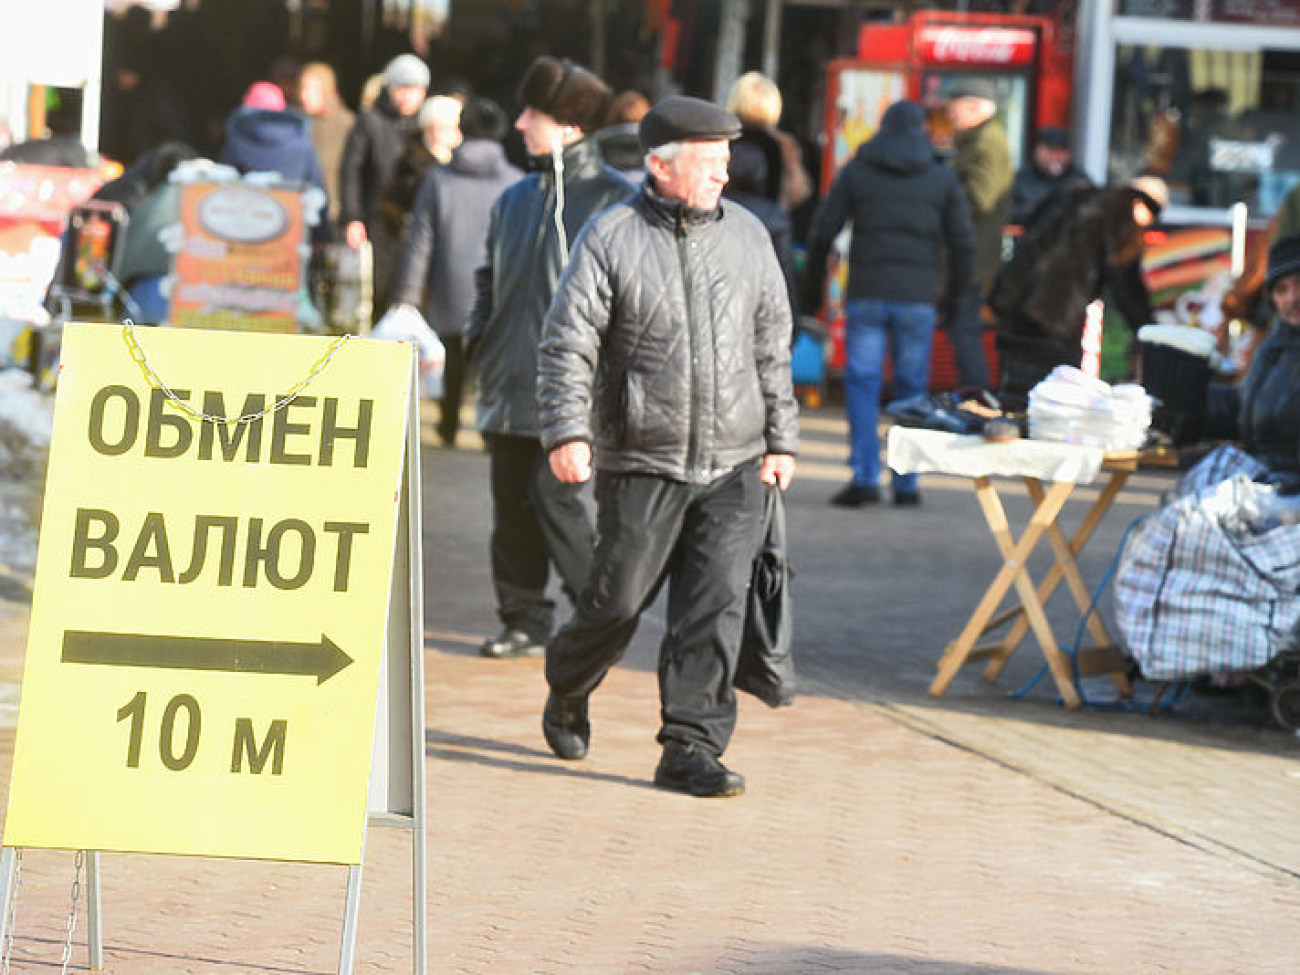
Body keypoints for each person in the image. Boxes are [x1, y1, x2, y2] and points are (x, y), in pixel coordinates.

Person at [536, 95, 799, 798]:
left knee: (714, 609)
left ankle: (691, 745)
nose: (723, 175)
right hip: (642, 459)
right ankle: (569, 682)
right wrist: (566, 430)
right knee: (616, 601)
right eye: (709, 163)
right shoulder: (611, 237)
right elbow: (567, 345)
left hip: (736, 461)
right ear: (660, 166)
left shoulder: (748, 236)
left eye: (725, 161)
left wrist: (782, 439)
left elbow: (773, 344)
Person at [466, 56, 631, 660]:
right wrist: (477, 335)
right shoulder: (514, 198)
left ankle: (599, 620)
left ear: (568, 126)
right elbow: (488, 276)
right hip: (505, 380)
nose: (518, 123)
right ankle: (524, 619)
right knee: (510, 508)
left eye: (531, 114)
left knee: (556, 502)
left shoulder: (616, 199)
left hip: (571, 389)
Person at [803, 99, 974, 508]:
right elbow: (964, 243)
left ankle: (864, 477)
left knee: (862, 385)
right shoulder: (940, 178)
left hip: (867, 294)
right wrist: (954, 296)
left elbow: (822, 232)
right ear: (921, 131)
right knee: (912, 389)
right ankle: (906, 482)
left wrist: (811, 292)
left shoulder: (857, 171)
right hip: (917, 299)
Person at [392, 97, 521, 447]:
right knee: (490, 359)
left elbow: (421, 238)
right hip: (497, 283)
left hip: (448, 280)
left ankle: (448, 423)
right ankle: (489, 429)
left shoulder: (439, 179)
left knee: (452, 356)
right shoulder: (516, 182)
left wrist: (407, 293)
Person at [988, 175, 1166, 405]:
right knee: (1053, 392)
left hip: (1014, 297)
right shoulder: (1123, 214)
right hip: (1054, 311)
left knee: (1015, 381)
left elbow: (1030, 224)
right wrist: (1147, 326)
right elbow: (1125, 281)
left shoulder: (1076, 192)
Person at [338, 53, 430, 318]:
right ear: (390, 89)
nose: (408, 97)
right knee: (375, 290)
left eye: (415, 91)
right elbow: (350, 171)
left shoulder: (423, 125)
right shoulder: (370, 121)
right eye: (403, 89)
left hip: (414, 221)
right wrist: (352, 217)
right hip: (376, 218)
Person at [945, 79, 1013, 391]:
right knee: (961, 329)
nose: (950, 113)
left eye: (955, 106)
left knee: (964, 330)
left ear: (974, 107)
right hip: (969, 253)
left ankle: (977, 395)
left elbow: (980, 197)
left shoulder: (986, 143)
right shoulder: (978, 140)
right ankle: (973, 392)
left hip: (971, 256)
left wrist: (941, 197)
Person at [378, 94, 463, 250]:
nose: (438, 134)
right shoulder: (409, 161)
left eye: (446, 128)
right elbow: (392, 203)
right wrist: (404, 227)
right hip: (420, 243)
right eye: (433, 128)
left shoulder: (465, 162)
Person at [724, 71, 812, 216]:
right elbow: (799, 193)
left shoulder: (721, 139)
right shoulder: (784, 145)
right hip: (766, 225)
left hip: (722, 223)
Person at [219, 82, 326, 191]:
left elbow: (222, 186)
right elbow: (317, 191)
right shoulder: (303, 144)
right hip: (292, 206)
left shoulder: (237, 142)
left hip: (249, 205)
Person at [299, 62, 355, 225]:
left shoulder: (347, 125)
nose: (302, 95)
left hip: (334, 217)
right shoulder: (301, 124)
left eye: (309, 90)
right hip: (304, 213)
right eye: (301, 88)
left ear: (326, 91)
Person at [1009, 126, 1089, 227]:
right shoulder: (1020, 180)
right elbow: (1008, 213)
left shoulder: (1079, 179)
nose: (1055, 157)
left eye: (1060, 152)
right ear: (1038, 151)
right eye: (1050, 151)